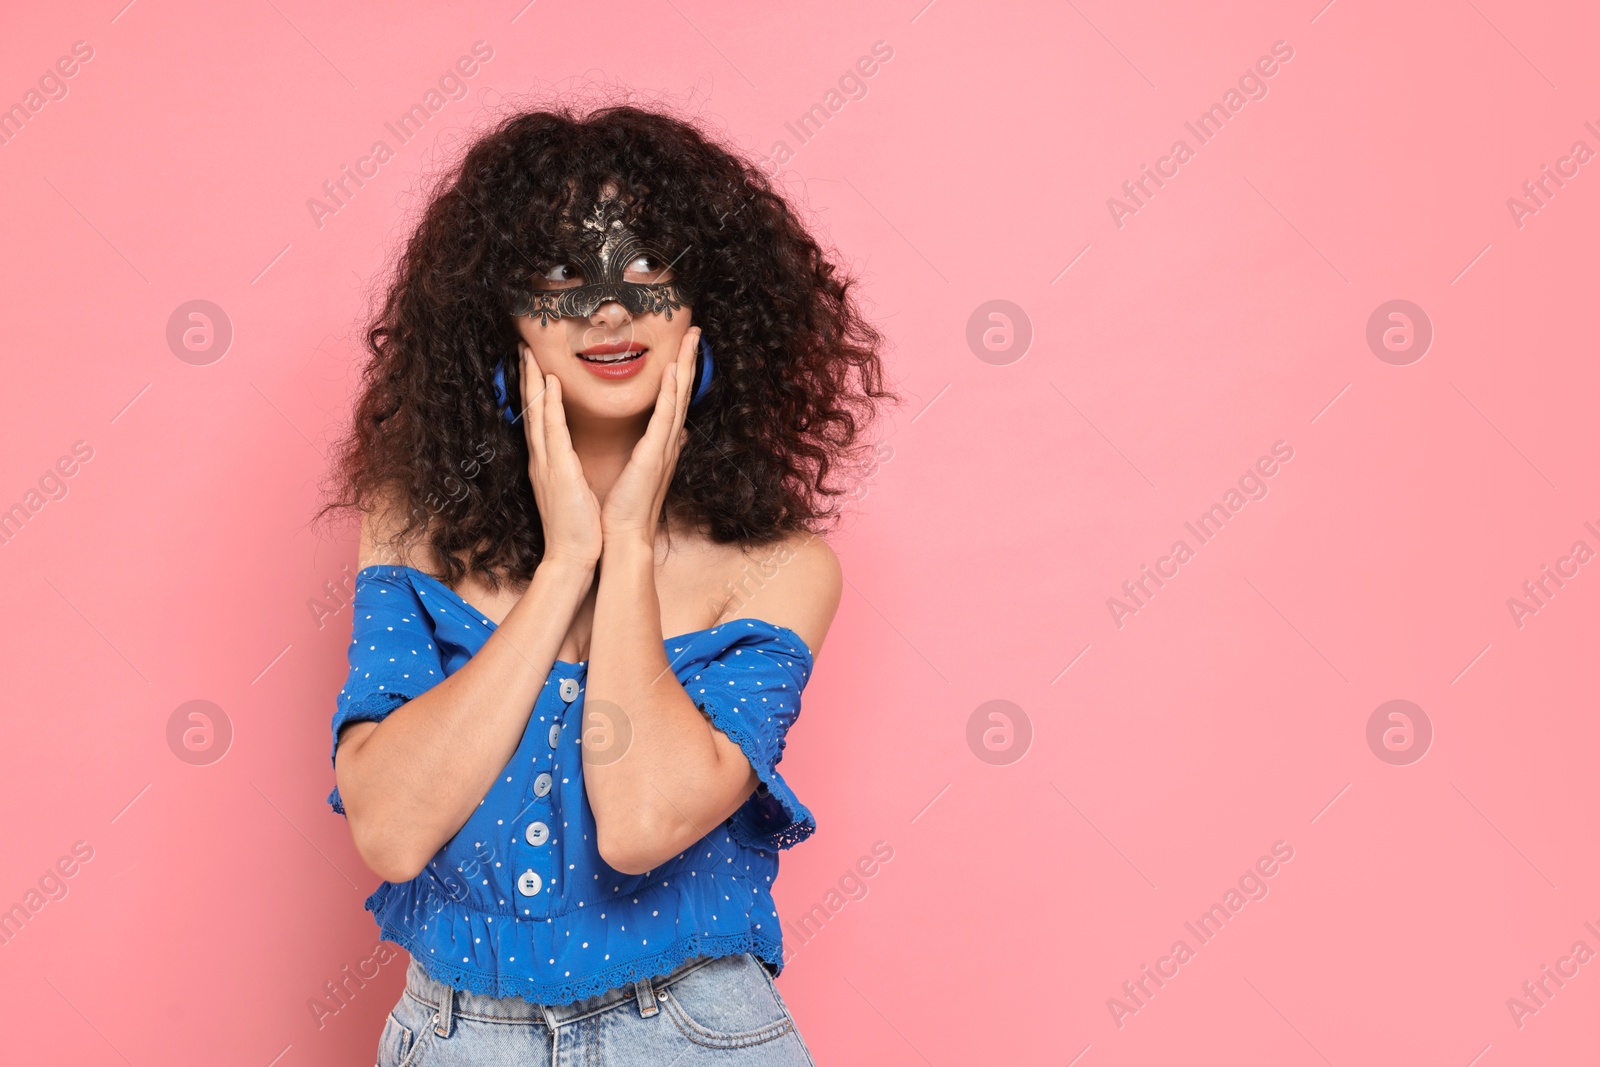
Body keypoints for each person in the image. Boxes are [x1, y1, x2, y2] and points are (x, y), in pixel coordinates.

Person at [314, 100, 897, 1065]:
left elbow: (640, 822)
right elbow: (391, 830)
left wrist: (625, 544)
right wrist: (564, 569)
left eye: (645, 271)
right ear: (500, 317)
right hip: (457, 1037)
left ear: (707, 309)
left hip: (697, 1035)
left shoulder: (782, 570)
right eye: (561, 276)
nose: (608, 309)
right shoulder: (408, 523)